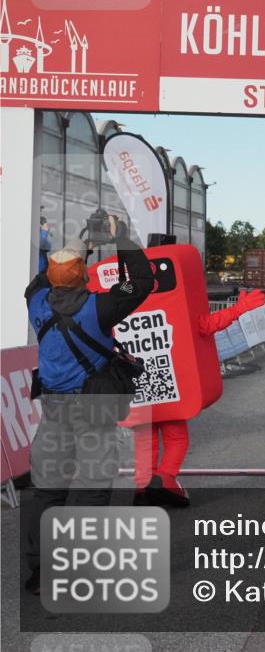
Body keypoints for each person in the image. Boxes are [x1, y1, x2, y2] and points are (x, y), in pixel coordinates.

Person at [23, 215, 154, 595]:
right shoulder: (99, 307)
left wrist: (80, 247)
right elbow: (142, 282)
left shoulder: (35, 303)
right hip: (93, 410)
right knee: (92, 487)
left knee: (48, 489)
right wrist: (122, 238)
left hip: (52, 409)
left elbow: (42, 280)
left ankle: (40, 572)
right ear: (85, 276)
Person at [133, 287, 265, 507]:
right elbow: (209, 325)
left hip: (139, 387)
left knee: (146, 440)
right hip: (170, 385)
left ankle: (142, 484)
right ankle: (164, 479)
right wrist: (239, 308)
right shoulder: (178, 308)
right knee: (176, 439)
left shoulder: (124, 307)